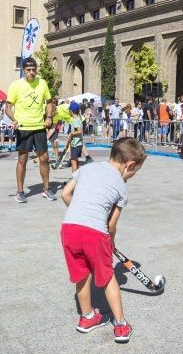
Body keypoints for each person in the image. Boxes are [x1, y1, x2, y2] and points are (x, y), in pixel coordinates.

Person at [60, 137, 146, 343]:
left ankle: (87, 317)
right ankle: (120, 325)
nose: (134, 174)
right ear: (130, 165)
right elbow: (111, 225)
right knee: (107, 277)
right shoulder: (121, 187)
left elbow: (65, 194)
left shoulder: (87, 168)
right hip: (95, 234)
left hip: (69, 228)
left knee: (81, 275)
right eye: (136, 170)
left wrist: (80, 215)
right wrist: (110, 242)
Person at [6, 56, 56, 203]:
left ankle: (46, 189)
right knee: (23, 160)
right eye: (28, 70)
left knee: (44, 159)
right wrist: (14, 119)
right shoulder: (16, 85)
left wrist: (49, 117)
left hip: (39, 127)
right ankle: (20, 192)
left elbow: (49, 102)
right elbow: (8, 107)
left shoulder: (42, 83)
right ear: (23, 70)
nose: (32, 72)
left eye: (34, 69)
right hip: (23, 128)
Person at [66, 101, 84, 172]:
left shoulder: (75, 120)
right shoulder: (78, 119)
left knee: (73, 161)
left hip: (76, 144)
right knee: (76, 161)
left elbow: (79, 131)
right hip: (78, 144)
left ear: (71, 111)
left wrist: (71, 134)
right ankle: (78, 177)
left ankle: (74, 178)